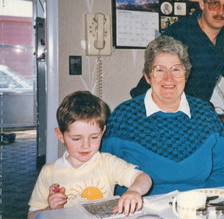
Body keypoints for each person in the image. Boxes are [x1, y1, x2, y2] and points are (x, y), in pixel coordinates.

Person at [102, 35, 224, 195]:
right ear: (147, 76)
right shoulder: (124, 117)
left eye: (176, 69)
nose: (169, 78)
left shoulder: (206, 114)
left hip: (198, 207)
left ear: (186, 75)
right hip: (142, 209)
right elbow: (103, 173)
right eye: (159, 70)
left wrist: (202, 202)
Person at [28, 91, 152, 219]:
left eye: (94, 137)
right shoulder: (49, 172)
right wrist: (50, 209)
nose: (86, 145)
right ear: (60, 135)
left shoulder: (108, 163)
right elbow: (32, 215)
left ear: (102, 132)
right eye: (76, 139)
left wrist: (134, 191)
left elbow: (144, 178)